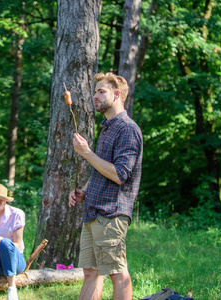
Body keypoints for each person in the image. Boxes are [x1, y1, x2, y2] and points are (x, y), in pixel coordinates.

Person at [68, 72, 143, 300]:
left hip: (111, 212)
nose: (95, 96)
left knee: (117, 273)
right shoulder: (108, 128)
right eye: (95, 91)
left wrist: (87, 152)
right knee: (91, 273)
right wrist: (84, 191)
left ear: (117, 94)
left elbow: (120, 175)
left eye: (102, 91)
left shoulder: (128, 129)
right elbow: (101, 170)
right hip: (93, 211)